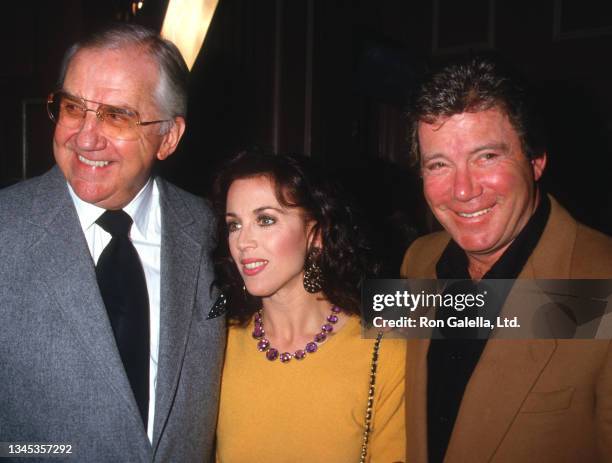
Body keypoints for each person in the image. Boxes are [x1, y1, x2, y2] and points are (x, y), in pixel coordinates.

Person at [0, 24, 224, 462]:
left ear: (170, 137)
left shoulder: (213, 231)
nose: (84, 137)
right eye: (72, 108)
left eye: (116, 115)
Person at [401, 56, 612, 463]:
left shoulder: (600, 283)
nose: (463, 190)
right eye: (439, 164)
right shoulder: (417, 260)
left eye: (487, 157)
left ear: (536, 161)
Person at [213, 151, 406, 462]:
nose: (243, 241)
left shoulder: (384, 349)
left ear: (315, 235)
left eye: (265, 220)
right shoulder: (217, 345)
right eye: (234, 225)